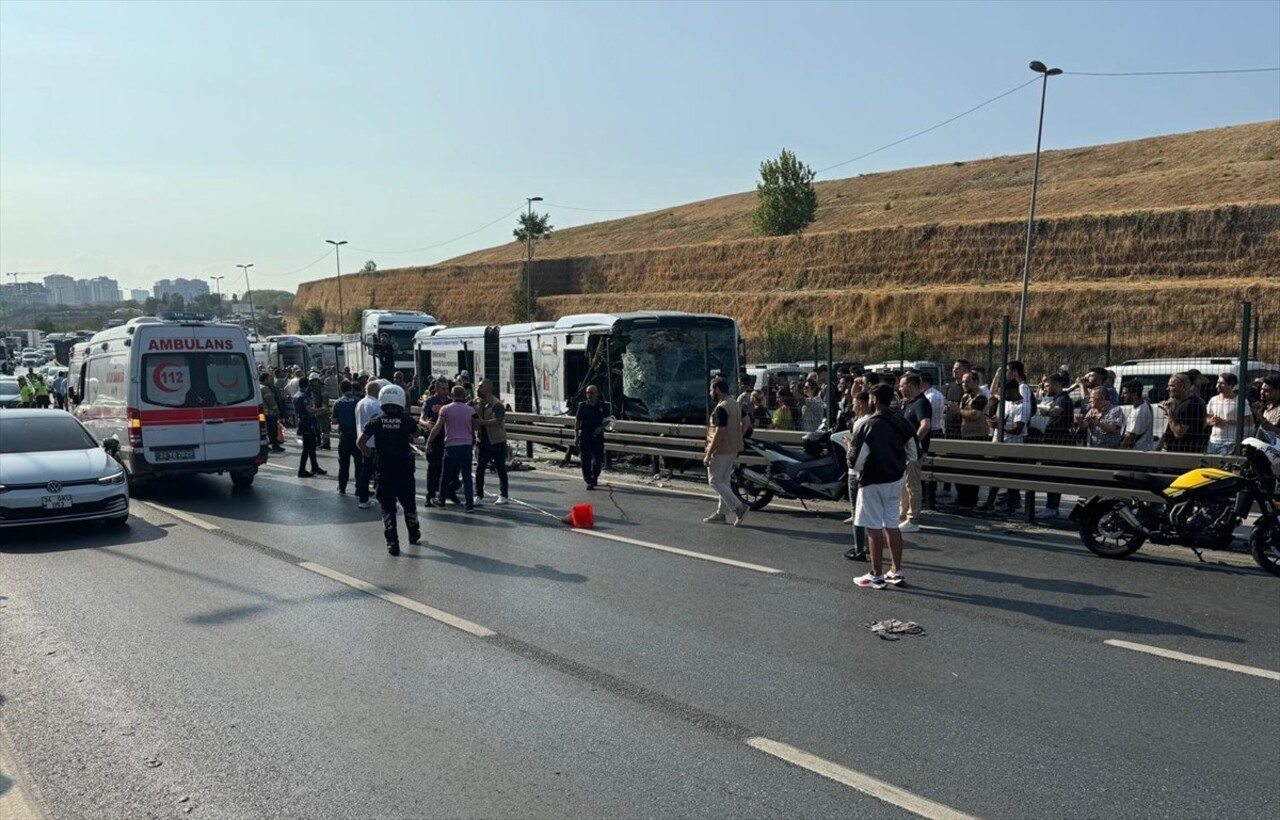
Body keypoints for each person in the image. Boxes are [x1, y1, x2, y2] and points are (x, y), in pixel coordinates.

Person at [850, 383, 918, 589]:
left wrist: (848, 449)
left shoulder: (866, 425)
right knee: (892, 524)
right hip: (894, 480)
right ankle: (896, 570)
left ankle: (876, 574)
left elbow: (855, 460)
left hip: (871, 481)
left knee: (873, 526)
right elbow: (914, 452)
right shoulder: (902, 422)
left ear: (875, 400)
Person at [358, 384, 421, 556]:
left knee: (387, 507)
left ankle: (392, 542)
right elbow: (418, 434)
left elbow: (360, 442)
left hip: (383, 469)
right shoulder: (407, 420)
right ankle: (413, 533)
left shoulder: (376, 420)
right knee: (409, 504)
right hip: (405, 470)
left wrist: (369, 455)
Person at [703, 377, 749, 526]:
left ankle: (739, 507)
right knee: (724, 482)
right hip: (734, 448)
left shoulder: (721, 408)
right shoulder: (735, 404)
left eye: (711, 390)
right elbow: (747, 421)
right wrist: (737, 435)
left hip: (721, 450)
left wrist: (709, 453)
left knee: (715, 481)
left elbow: (719, 432)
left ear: (717, 390)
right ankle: (721, 514)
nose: (710, 393)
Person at [428, 385, 477, 511]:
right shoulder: (470, 410)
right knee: (466, 476)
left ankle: (441, 500)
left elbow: (438, 427)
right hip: (466, 446)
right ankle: (469, 504)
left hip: (451, 445)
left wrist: (429, 441)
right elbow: (475, 427)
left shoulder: (445, 409)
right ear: (464, 396)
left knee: (446, 475)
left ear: (452, 395)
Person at [897, 373, 931, 532]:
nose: (899, 388)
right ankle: (903, 515)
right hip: (908, 451)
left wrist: (913, 444)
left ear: (910, 386)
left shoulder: (921, 404)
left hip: (914, 452)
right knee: (904, 483)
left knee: (912, 484)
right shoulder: (912, 403)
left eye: (902, 385)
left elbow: (925, 425)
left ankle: (912, 518)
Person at [843, 390, 873, 560]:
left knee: (857, 511)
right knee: (870, 511)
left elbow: (855, 451)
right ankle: (871, 545)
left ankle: (858, 548)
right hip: (870, 471)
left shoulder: (860, 423)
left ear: (861, 403)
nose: (852, 406)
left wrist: (848, 444)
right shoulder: (876, 420)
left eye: (854, 402)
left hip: (856, 471)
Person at [473, 379, 510, 505]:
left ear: (489, 389)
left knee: (500, 469)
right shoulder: (476, 403)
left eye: (481, 387)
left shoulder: (496, 404)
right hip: (482, 441)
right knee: (479, 469)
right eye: (478, 387)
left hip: (497, 441)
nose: (478, 389)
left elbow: (498, 420)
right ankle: (478, 495)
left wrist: (481, 422)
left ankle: (504, 495)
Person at [419, 378, 451, 503]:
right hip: (433, 437)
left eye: (447, 388)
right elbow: (421, 419)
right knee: (433, 467)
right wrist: (427, 424)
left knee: (449, 467)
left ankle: (448, 492)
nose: (445, 391)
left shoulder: (450, 401)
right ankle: (430, 495)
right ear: (437, 389)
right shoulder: (430, 402)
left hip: (448, 437)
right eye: (443, 389)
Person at [1159, 373, 1209, 453]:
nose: (1167, 388)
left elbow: (1179, 433)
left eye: (1172, 386)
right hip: (1176, 451)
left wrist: (1169, 412)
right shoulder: (1180, 402)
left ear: (1183, 387)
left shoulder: (1191, 404)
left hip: (1185, 452)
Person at [1205, 372, 1252, 456]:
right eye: (1217, 382)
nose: (1217, 385)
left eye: (1222, 383)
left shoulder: (1240, 401)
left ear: (1231, 385)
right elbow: (1207, 418)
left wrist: (1226, 422)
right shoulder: (1213, 400)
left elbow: (1250, 422)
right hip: (1213, 441)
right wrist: (1211, 421)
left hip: (1230, 443)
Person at [354, 380, 384, 509]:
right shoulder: (376, 405)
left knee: (365, 471)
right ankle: (382, 498)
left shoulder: (360, 403)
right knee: (380, 472)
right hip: (375, 443)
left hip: (363, 440)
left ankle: (363, 498)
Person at [575, 386, 609, 490]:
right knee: (586, 459)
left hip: (597, 436)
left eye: (591, 393)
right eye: (587, 393)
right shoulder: (582, 406)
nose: (589, 395)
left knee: (598, 459)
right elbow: (577, 421)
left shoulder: (602, 406)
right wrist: (576, 436)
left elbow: (609, 419)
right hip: (585, 435)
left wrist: (602, 428)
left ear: (596, 394)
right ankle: (588, 480)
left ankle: (595, 476)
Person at [332, 380, 363, 495]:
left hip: (344, 436)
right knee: (359, 463)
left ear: (341, 390)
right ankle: (359, 488)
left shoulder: (338, 402)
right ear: (351, 388)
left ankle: (342, 486)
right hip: (356, 435)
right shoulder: (358, 401)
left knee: (343, 463)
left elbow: (334, 421)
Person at [294, 383, 325, 478]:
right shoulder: (303, 396)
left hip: (302, 422)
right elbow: (310, 410)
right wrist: (323, 409)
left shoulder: (296, 395)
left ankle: (314, 467)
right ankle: (302, 469)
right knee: (307, 447)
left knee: (311, 446)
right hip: (307, 423)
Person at [1119, 380, 1154, 451]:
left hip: (1138, 451)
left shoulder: (1140, 411)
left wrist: (1119, 450)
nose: (1122, 396)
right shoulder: (1141, 405)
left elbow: (1130, 436)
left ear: (1134, 394)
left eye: (1125, 393)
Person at [259, 372, 285, 452]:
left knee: (264, 430)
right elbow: (270, 401)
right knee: (273, 430)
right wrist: (277, 410)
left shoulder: (258, 387)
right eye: (269, 379)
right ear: (265, 379)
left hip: (262, 413)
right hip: (270, 413)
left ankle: (266, 445)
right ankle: (275, 445)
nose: (271, 381)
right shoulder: (265, 388)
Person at [1251, 375, 1280, 446]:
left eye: (1267, 391)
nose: (1262, 393)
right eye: (1261, 389)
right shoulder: (1265, 406)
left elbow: (1277, 431)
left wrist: (1261, 417)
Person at [309, 372, 333, 450]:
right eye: (312, 381)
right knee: (318, 429)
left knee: (324, 430)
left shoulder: (323, 391)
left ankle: (326, 444)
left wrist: (314, 410)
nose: (314, 383)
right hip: (317, 414)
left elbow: (325, 406)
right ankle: (319, 442)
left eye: (315, 381)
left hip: (324, 414)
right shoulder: (313, 391)